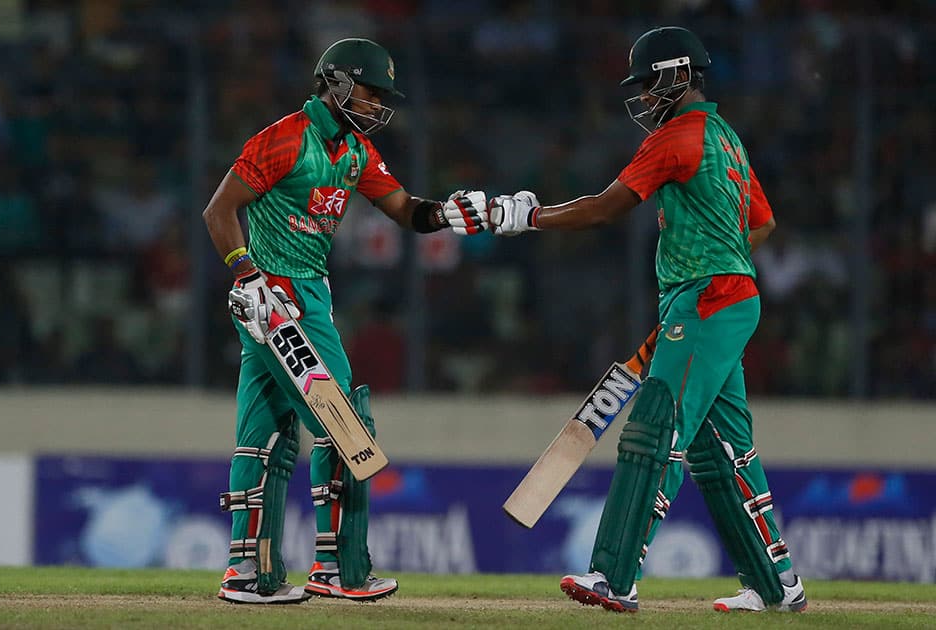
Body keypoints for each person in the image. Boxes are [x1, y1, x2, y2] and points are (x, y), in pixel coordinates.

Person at [489, 26, 806, 614]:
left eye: (650, 82)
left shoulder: (677, 136)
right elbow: (761, 223)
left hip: (706, 298)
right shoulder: (724, 136)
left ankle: (614, 577)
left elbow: (604, 209)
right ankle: (776, 583)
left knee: (657, 429)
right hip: (725, 297)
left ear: (680, 75)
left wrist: (528, 218)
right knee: (725, 448)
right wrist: (721, 265)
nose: (642, 96)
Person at [202, 37, 488, 604]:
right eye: (370, 89)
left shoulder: (356, 151)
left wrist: (446, 214)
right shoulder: (284, 137)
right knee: (345, 425)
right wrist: (246, 274)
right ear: (335, 82)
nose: (378, 103)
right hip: (277, 300)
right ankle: (338, 569)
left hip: (305, 297)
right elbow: (219, 210)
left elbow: (404, 210)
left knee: (266, 432)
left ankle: (248, 573)